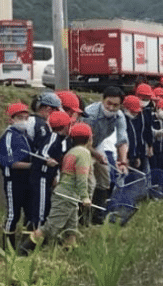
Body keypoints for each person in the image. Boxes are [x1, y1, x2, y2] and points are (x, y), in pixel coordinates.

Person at [18, 122, 93, 255]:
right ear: (89, 138)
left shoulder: (71, 152)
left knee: (71, 228)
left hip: (67, 195)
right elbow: (82, 177)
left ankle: (70, 251)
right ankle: (22, 251)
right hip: (67, 195)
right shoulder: (84, 154)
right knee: (50, 227)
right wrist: (85, 197)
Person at [80, 86, 129, 224]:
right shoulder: (90, 114)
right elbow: (82, 140)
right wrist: (97, 155)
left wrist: (123, 162)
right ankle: (83, 217)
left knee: (105, 180)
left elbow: (122, 140)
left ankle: (98, 215)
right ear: (103, 100)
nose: (112, 108)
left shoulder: (119, 116)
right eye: (109, 103)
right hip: (82, 147)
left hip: (97, 145)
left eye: (116, 105)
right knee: (89, 182)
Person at [0, 102, 34, 251]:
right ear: (11, 119)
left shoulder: (25, 136)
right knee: (13, 213)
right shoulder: (9, 136)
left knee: (30, 213)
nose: (23, 121)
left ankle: (25, 247)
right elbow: (10, 162)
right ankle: (7, 248)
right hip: (14, 180)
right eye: (19, 117)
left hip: (28, 180)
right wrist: (32, 166)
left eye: (26, 117)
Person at [29, 110, 72, 229]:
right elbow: (42, 152)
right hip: (41, 177)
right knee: (40, 209)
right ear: (65, 126)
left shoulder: (60, 140)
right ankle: (35, 238)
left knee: (44, 206)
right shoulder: (53, 137)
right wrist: (47, 160)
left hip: (47, 178)